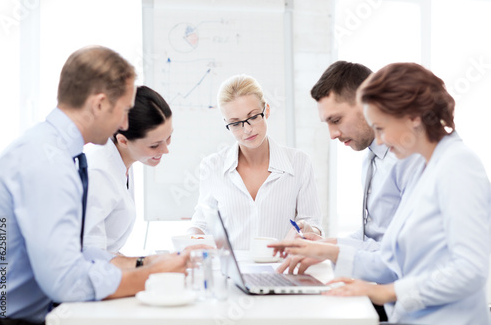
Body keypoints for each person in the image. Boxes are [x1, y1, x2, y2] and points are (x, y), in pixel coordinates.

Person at [270, 62, 491, 324]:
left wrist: (382, 291)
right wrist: (324, 248)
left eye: (382, 128)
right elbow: (393, 256)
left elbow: (470, 270)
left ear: (413, 117)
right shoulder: (429, 166)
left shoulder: (458, 165)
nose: (381, 141)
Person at [0, 46, 187, 324]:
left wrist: (144, 265)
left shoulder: (52, 149)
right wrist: (151, 275)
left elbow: (77, 252)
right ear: (99, 104)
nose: (125, 123)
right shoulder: (49, 163)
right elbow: (66, 281)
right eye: (125, 110)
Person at [277, 61, 424, 277]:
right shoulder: (372, 158)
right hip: (385, 291)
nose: (332, 134)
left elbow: (404, 256)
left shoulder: (409, 159)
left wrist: (333, 251)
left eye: (336, 120)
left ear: (368, 105)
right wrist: (326, 245)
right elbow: (374, 238)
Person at [188, 74, 323, 249]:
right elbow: (202, 223)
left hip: (280, 269)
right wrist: (191, 239)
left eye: (253, 117)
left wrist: (307, 230)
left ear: (266, 110)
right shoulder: (213, 166)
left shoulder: (299, 163)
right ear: (226, 124)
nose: (247, 129)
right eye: (235, 124)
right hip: (233, 272)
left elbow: (314, 225)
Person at [83, 86, 172, 255]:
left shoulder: (123, 160)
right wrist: (145, 264)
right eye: (155, 145)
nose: (165, 149)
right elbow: (91, 257)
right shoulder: (98, 173)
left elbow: (107, 249)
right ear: (123, 141)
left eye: (169, 138)